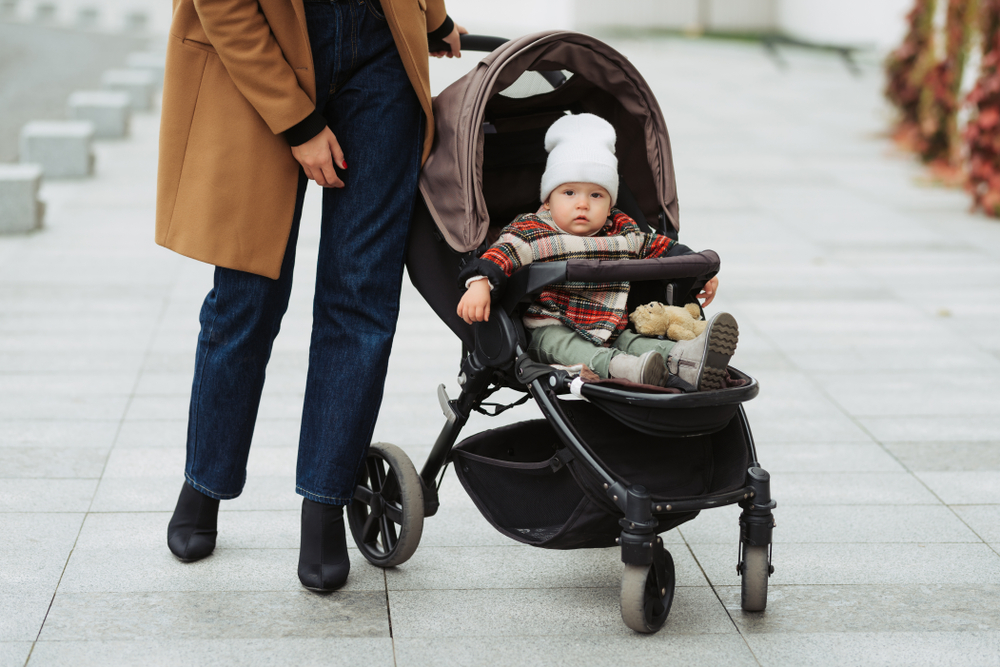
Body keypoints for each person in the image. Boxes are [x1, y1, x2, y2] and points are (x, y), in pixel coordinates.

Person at [155, 0, 464, 593]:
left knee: (362, 295)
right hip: (261, 46)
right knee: (246, 295)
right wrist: (298, 124)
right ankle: (204, 481)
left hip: (380, 51)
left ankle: (323, 502)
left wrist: (433, 17)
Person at [456, 113, 738, 391]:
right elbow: (501, 254)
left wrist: (698, 269)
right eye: (569, 193)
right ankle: (627, 369)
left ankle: (686, 359)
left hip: (612, 326)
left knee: (634, 343)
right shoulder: (533, 231)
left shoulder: (622, 231)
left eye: (596, 195)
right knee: (566, 346)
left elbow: (661, 248)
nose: (582, 204)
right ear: (547, 200)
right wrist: (480, 282)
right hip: (550, 326)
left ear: (610, 202)